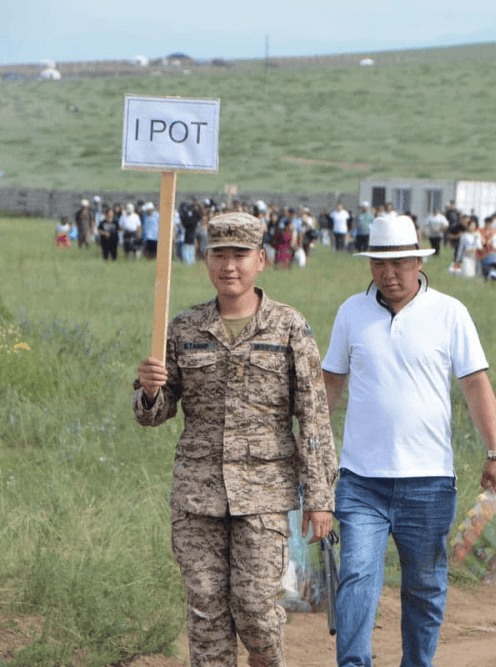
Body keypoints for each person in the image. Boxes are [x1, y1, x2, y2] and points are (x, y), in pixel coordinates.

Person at [133, 212, 337, 667]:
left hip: (263, 496)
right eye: (219, 255)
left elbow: (314, 417)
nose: (230, 266)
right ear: (207, 261)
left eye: (240, 256)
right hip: (196, 494)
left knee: (256, 611)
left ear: (261, 259)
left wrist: (320, 499)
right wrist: (150, 392)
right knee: (205, 608)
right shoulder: (183, 328)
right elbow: (156, 413)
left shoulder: (289, 328)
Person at [322, 214, 496, 667]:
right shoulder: (351, 312)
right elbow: (328, 384)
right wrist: (307, 448)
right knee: (357, 575)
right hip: (360, 480)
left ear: (418, 261)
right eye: (379, 264)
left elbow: (475, 385)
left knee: (425, 587)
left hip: (427, 481)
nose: (389, 274)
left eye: (400, 263)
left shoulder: (450, 313)